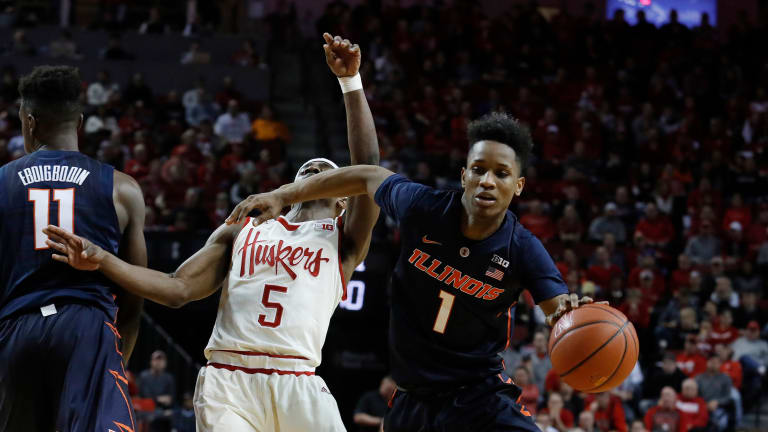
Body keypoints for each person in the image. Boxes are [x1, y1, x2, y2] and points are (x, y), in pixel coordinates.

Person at [44, 34, 378, 432]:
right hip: (229, 378)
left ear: (342, 198)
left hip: (299, 381)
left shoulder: (344, 241)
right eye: (308, 168)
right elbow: (176, 288)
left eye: (327, 172)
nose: (315, 172)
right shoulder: (247, 226)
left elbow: (369, 167)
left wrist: (350, 83)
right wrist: (103, 259)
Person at [226, 110, 598, 430]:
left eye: (501, 174)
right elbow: (367, 175)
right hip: (412, 399)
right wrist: (283, 195)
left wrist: (569, 317)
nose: (488, 180)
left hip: (481, 396)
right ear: (464, 174)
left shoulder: (523, 248)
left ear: (517, 186)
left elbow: (558, 310)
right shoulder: (424, 207)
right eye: (479, 169)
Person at [0, 66, 145, 430]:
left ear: (29, 122)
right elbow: (134, 293)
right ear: (79, 121)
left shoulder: (0, 183)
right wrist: (116, 358)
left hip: (17, 329)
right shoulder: (122, 188)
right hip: (88, 330)